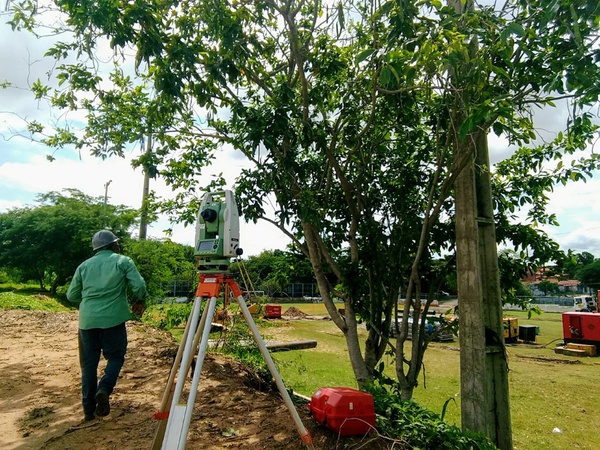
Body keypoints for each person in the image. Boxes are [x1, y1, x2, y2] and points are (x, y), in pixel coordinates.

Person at [67, 230, 147, 422]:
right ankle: (104, 388)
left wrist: (89, 301)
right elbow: (139, 287)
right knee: (116, 357)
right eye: (117, 244)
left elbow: (71, 296)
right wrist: (139, 299)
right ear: (113, 246)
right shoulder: (122, 261)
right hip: (113, 319)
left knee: (88, 366)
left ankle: (88, 411)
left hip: (87, 322)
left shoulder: (84, 266)